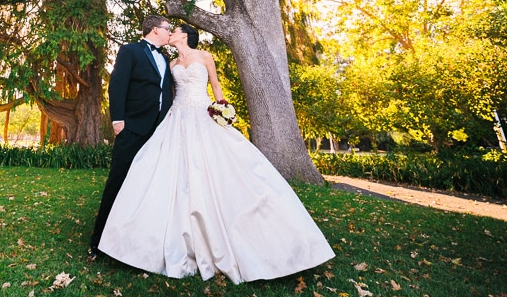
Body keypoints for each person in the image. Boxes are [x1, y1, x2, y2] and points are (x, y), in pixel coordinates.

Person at [97, 24, 335, 283]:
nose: (170, 33)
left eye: (173, 30)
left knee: (222, 169)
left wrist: (222, 109)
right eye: (167, 30)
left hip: (202, 113)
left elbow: (216, 85)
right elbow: (162, 93)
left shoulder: (204, 56)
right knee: (162, 171)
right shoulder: (171, 62)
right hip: (177, 118)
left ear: (184, 35)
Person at [89, 14, 176, 259]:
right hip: (133, 127)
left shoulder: (166, 57)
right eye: (167, 29)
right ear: (155, 30)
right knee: (118, 180)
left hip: (160, 130)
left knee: (148, 185)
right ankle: (99, 243)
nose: (169, 33)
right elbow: (117, 84)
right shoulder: (130, 51)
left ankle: (138, 242)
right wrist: (118, 121)